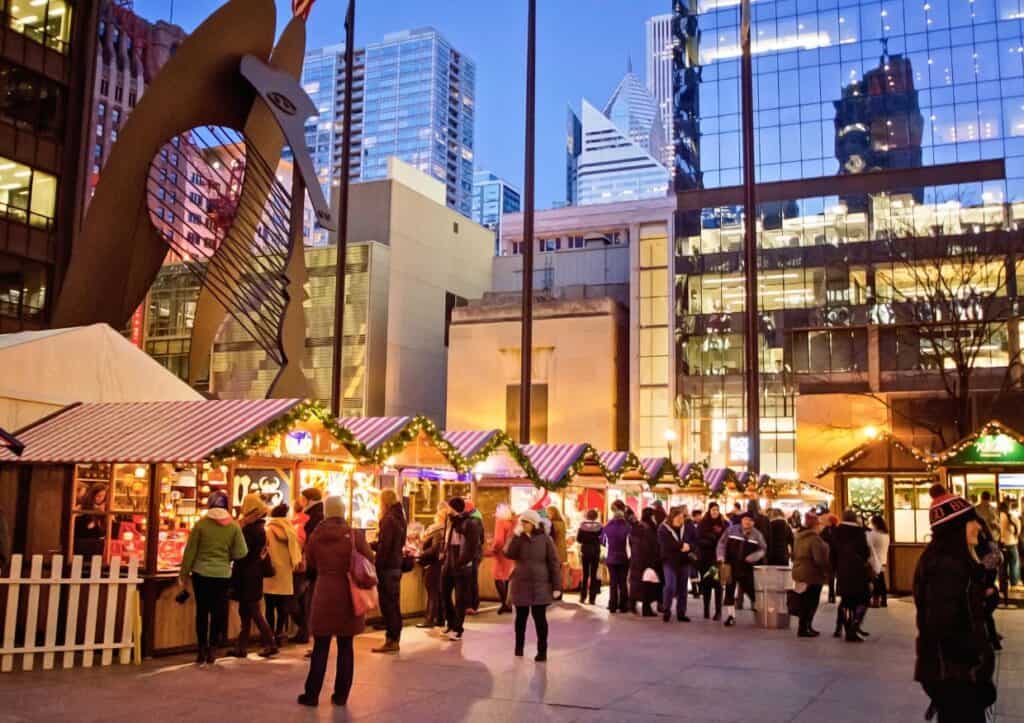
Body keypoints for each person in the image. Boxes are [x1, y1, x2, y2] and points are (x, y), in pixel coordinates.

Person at [914, 492, 997, 723]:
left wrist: (983, 596)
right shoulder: (945, 566)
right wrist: (973, 671)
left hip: (954, 675)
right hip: (955, 677)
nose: (978, 527)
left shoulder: (953, 560)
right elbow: (946, 626)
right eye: (972, 521)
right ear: (955, 529)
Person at [298, 496, 375, 708]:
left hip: (323, 593)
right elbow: (369, 558)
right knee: (345, 646)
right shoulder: (354, 535)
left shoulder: (316, 535)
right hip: (348, 596)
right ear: (342, 512)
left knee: (321, 646)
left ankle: (311, 694)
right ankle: (340, 695)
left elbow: (310, 561)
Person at [179, 491, 247, 664]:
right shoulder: (233, 526)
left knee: (202, 611)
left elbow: (190, 552)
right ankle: (212, 649)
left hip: (201, 574)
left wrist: (184, 575)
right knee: (218, 612)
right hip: (223, 574)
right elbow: (242, 552)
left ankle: (201, 649)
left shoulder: (201, 525)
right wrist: (227, 556)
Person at [504, 509, 561, 662]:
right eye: (522, 522)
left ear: (534, 523)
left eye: (526, 522)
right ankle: (519, 648)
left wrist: (556, 586)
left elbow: (554, 562)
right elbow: (509, 554)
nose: (523, 524)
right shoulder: (518, 538)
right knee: (520, 618)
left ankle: (542, 651)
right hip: (520, 583)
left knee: (540, 619)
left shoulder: (545, 539)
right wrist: (515, 536)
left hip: (540, 584)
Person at [228, 493, 278, 658]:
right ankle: (241, 647)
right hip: (252, 573)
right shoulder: (259, 528)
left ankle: (270, 643)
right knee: (247, 611)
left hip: (247, 574)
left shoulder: (250, 529)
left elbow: (242, 553)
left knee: (252, 611)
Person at [441, 496, 483, 641]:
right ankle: (451, 623)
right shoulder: (450, 520)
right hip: (449, 560)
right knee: (444, 592)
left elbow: (472, 546)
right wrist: (444, 553)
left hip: (462, 563)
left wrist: (462, 562)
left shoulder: (469, 523)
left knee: (460, 598)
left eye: (448, 507)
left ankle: (458, 628)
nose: (446, 510)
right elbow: (446, 539)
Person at [371, 488, 406, 654]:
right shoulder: (400, 517)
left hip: (387, 568)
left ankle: (391, 639)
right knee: (393, 603)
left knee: (388, 604)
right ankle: (394, 637)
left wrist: (377, 565)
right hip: (396, 565)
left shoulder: (389, 519)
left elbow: (385, 546)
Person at [716, 511, 766, 627]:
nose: (747, 522)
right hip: (729, 565)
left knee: (751, 590)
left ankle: (760, 612)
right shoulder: (732, 530)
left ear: (753, 523)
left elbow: (763, 549)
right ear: (742, 520)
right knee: (729, 590)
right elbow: (721, 543)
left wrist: (754, 557)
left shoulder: (757, 534)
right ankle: (730, 616)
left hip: (746, 567)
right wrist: (721, 556)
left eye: (750, 520)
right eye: (745, 519)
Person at [830, 510, 873, 643]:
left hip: (842, 570)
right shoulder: (860, 532)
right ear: (855, 519)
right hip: (858, 570)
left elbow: (832, 553)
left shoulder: (836, 531)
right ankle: (854, 626)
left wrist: (835, 569)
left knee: (846, 600)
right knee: (863, 599)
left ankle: (846, 629)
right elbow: (866, 552)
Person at [264, 503, 302, 645]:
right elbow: (296, 552)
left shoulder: (268, 530)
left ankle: (268, 637)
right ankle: (280, 633)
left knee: (269, 606)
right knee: (282, 607)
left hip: (271, 571)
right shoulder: (291, 531)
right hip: (286, 572)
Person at [792, 511, 830, 638]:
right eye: (818, 525)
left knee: (803, 600)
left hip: (799, 571)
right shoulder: (814, 539)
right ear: (815, 526)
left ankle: (804, 626)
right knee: (811, 601)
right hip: (812, 574)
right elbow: (819, 559)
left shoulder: (798, 537)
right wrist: (826, 570)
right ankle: (805, 627)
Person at [658, 505, 696, 622]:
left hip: (684, 561)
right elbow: (666, 545)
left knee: (682, 588)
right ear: (672, 518)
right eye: (678, 518)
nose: (680, 521)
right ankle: (666, 609)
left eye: (682, 518)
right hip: (669, 561)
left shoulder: (688, 527)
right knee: (670, 586)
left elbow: (695, 540)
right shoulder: (663, 529)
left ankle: (681, 613)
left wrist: (690, 546)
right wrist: (681, 546)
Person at [417, 505, 448, 628]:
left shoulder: (436, 531)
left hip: (433, 564)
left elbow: (434, 549)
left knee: (432, 592)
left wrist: (421, 554)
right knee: (438, 592)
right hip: (441, 564)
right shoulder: (447, 530)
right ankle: (440, 619)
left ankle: (429, 619)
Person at [696, 502, 728, 620]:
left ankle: (718, 612)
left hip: (718, 559)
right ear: (709, 511)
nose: (715, 512)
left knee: (718, 585)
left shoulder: (723, 524)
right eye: (713, 509)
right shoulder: (703, 524)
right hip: (705, 559)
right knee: (706, 585)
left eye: (717, 509)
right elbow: (698, 539)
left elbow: (726, 540)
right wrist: (711, 540)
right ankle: (706, 610)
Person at [628, 507, 660, 616]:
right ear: (651, 516)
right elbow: (650, 546)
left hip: (635, 559)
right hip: (646, 561)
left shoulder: (637, 527)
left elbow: (631, 542)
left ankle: (632, 605)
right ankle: (646, 609)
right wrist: (653, 560)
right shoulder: (648, 529)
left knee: (635, 583)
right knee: (647, 584)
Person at [602, 501, 631, 613]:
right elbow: (630, 543)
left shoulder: (608, 526)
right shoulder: (628, 527)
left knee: (613, 582)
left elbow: (603, 541)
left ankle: (612, 605)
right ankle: (624, 605)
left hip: (611, 558)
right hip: (624, 558)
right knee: (623, 582)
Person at [491, 503, 516, 614]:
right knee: (507, 578)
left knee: (498, 578)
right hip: (510, 553)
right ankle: (508, 602)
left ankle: (504, 603)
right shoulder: (513, 522)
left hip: (501, 554)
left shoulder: (500, 522)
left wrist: (493, 549)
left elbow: (499, 540)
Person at [73, 483, 108, 558]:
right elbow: (80, 527)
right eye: (98, 496)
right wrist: (94, 520)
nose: (101, 498)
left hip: (97, 545)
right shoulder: (82, 507)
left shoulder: (104, 509)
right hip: (82, 545)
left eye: (103, 496)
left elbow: (104, 531)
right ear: (92, 495)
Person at [576, 508, 603, 605]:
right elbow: (602, 540)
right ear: (596, 516)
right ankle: (592, 598)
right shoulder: (600, 527)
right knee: (594, 575)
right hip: (595, 552)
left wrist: (585, 540)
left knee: (585, 574)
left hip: (585, 551)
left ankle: (583, 597)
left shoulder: (582, 526)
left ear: (587, 516)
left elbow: (578, 539)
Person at [867, 515, 890, 608]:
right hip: (883, 559)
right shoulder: (886, 535)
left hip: (874, 560)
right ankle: (884, 600)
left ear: (875, 524)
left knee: (875, 581)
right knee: (881, 580)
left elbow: (868, 544)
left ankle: (875, 601)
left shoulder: (873, 534)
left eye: (871, 523)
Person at [998, 498, 1021, 590]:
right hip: (1012, 543)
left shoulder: (997, 517)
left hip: (1002, 544)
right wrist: (1014, 536)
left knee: (1002, 566)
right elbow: (1018, 529)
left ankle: (1002, 585)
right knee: (1014, 564)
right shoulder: (1013, 517)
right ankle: (1014, 583)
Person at [546, 505, 568, 586]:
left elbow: (550, 538)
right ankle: (559, 592)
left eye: (549, 513)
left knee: (553, 573)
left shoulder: (553, 524)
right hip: (561, 551)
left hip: (555, 550)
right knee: (558, 573)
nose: (547, 515)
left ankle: (555, 591)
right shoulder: (562, 523)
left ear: (553, 513)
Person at [820, 512, 839, 603]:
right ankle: (833, 594)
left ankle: (831, 594)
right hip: (836, 555)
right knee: (834, 575)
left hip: (830, 555)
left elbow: (821, 540)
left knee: (831, 575)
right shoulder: (838, 530)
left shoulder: (826, 530)